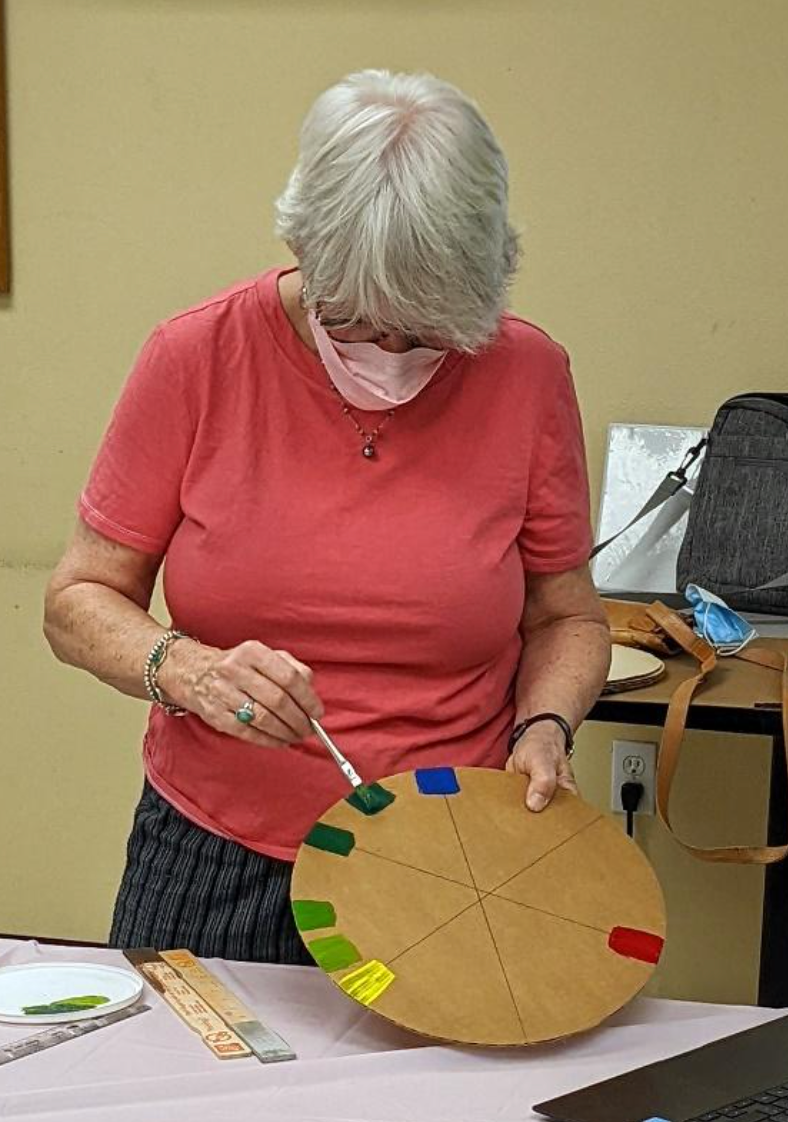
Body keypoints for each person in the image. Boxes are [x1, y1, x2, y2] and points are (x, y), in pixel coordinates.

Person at [43, 70, 611, 964]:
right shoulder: (196, 357)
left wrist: (545, 727)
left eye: (422, 332)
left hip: (447, 854)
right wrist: (181, 668)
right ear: (306, 250)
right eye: (351, 320)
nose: (386, 355)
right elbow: (77, 601)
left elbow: (567, 615)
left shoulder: (526, 375)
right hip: (210, 847)